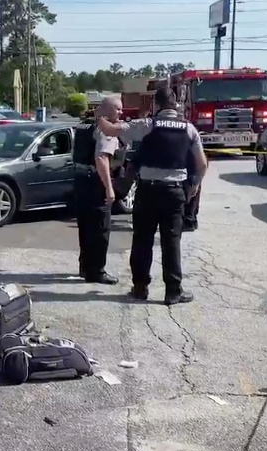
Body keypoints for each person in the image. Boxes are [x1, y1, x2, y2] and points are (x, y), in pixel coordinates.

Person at [97, 88, 208, 305]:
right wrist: (193, 185)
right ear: (175, 105)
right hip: (175, 192)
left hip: (148, 191)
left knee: (142, 240)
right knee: (171, 241)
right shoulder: (189, 129)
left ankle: (140, 288)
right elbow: (202, 163)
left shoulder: (147, 125)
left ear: (156, 105)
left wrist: (100, 116)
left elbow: (110, 130)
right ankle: (173, 292)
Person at [72, 97, 122, 284]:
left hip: (80, 179)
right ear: (108, 109)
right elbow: (101, 158)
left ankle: (85, 267)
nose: (121, 113)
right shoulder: (105, 129)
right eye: (118, 109)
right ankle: (97, 271)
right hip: (95, 182)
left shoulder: (84, 125)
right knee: (101, 228)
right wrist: (109, 188)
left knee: (85, 227)